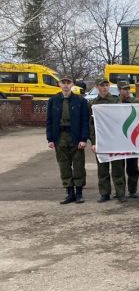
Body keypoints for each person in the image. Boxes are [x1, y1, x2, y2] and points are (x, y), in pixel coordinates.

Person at [46, 75, 90, 204]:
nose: (65, 85)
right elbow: (49, 121)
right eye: (63, 82)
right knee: (64, 166)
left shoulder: (80, 101)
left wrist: (83, 138)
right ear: (59, 84)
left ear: (72, 85)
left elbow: (85, 121)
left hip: (75, 136)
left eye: (68, 83)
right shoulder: (53, 100)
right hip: (60, 136)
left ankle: (79, 193)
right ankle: (69, 193)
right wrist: (50, 138)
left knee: (78, 165)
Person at [89, 78, 125, 203]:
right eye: (102, 86)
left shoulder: (116, 100)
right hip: (101, 141)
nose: (104, 88)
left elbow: (121, 119)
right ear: (97, 87)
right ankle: (104, 193)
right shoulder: (93, 103)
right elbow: (91, 125)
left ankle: (120, 193)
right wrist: (93, 142)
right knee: (102, 169)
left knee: (118, 168)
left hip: (115, 140)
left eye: (106, 85)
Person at [117, 81, 139, 198]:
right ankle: (120, 191)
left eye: (128, 89)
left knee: (132, 166)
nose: (127, 91)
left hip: (131, 138)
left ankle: (132, 190)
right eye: (124, 89)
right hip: (118, 139)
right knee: (119, 167)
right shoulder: (115, 102)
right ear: (119, 90)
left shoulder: (135, 101)